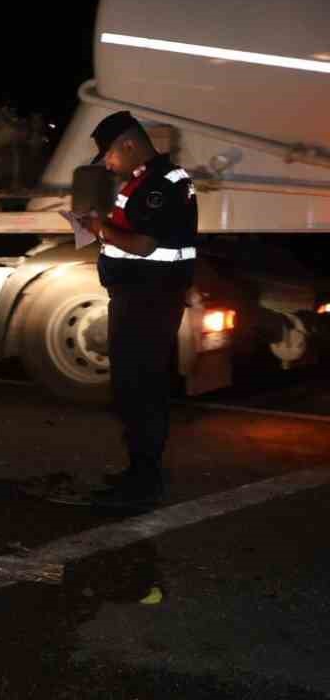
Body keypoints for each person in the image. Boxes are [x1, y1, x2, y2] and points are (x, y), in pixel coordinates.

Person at [77, 111, 198, 512]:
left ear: (128, 145)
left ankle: (143, 483)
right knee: (134, 389)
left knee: (141, 390)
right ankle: (138, 475)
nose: (108, 164)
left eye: (109, 156)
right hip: (140, 298)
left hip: (148, 299)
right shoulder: (146, 180)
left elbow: (144, 245)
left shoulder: (161, 184)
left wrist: (98, 228)